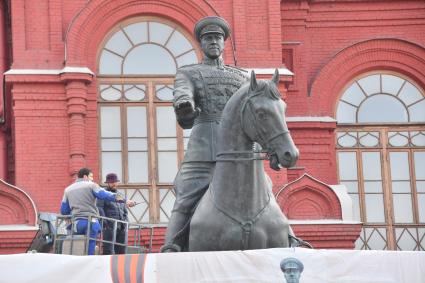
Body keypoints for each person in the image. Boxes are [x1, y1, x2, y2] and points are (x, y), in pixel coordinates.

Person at [161, 16, 249, 252]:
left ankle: (288, 235)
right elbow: (182, 94)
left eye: (217, 38)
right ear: (201, 43)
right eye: (208, 38)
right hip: (203, 148)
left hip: (239, 150)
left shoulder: (243, 76)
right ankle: (171, 245)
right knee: (186, 197)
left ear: (224, 43)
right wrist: (184, 105)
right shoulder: (189, 73)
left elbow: (254, 111)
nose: (213, 42)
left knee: (264, 187)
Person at [60, 168, 133, 255]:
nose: (92, 179)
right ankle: (89, 262)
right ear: (85, 176)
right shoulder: (91, 185)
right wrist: (125, 200)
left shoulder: (68, 189)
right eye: (91, 176)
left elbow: (64, 210)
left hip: (76, 224)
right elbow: (106, 195)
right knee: (90, 247)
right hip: (90, 222)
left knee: (76, 247)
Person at [97, 173, 134, 255]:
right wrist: (105, 223)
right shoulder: (103, 194)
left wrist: (126, 222)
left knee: (122, 250)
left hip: (122, 226)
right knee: (108, 250)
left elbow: (124, 211)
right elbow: (100, 208)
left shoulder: (120, 194)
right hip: (109, 226)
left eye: (115, 182)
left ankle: (121, 267)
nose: (114, 184)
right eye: (111, 182)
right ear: (108, 183)